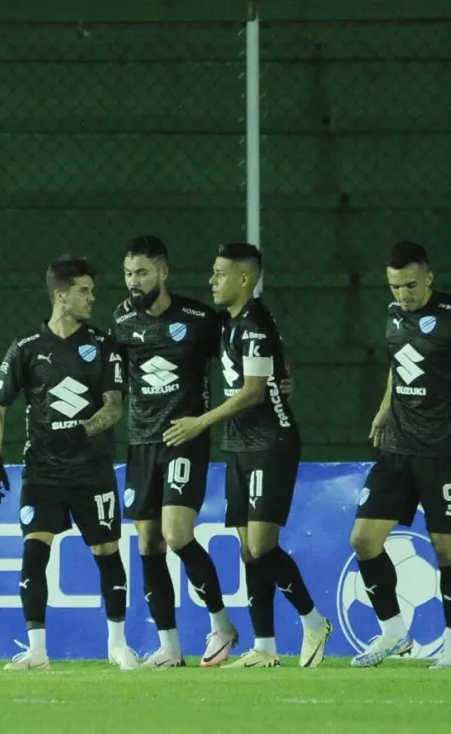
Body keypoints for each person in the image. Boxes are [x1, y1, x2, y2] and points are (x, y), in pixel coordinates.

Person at [163, 241, 332, 669]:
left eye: (219, 273)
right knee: (247, 550)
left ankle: (314, 621)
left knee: (261, 544)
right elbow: (274, 367)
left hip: (269, 442)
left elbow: (254, 393)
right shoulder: (230, 321)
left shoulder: (254, 320)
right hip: (239, 444)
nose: (211, 280)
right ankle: (265, 648)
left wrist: (200, 422)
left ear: (244, 279)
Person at [348, 240, 451, 669]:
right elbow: (399, 363)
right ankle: (394, 634)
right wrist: (385, 408)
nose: (403, 294)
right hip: (397, 448)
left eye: (411, 285)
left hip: (445, 451)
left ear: (430, 277)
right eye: (395, 286)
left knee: (446, 550)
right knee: (363, 540)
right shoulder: (393, 314)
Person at [0, 256, 139, 672]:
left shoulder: (103, 345)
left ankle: (118, 646)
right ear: (60, 295)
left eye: (92, 290)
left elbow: (114, 407)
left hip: (92, 469)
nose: (91, 298)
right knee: (34, 552)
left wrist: (81, 430)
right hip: (43, 470)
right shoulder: (26, 349)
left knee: (107, 552)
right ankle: (37, 653)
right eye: (83, 291)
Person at [109, 235, 239, 668]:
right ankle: (169, 647)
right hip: (142, 441)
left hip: (185, 437)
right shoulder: (121, 321)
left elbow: (246, 345)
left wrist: (281, 373)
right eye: (128, 273)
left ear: (163, 272)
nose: (134, 281)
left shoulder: (200, 319)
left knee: (176, 534)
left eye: (142, 272)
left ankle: (221, 625)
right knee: (147, 543)